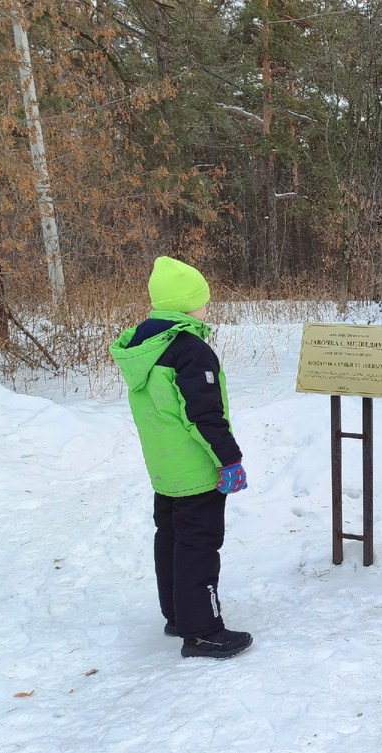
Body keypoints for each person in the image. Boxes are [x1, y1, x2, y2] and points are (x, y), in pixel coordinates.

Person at [109, 256, 253, 659]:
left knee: (171, 538)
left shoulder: (140, 344)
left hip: (164, 469)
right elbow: (203, 416)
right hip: (195, 470)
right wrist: (229, 460)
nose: (207, 306)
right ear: (189, 304)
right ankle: (203, 631)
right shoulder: (189, 350)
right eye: (203, 299)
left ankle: (178, 615)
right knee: (200, 545)